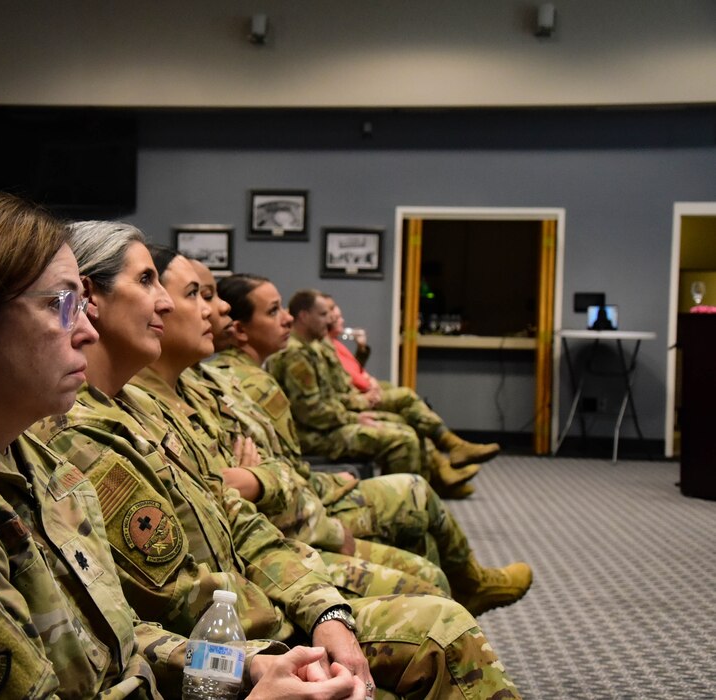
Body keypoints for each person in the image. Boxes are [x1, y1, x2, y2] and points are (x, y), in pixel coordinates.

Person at [0, 195, 368, 700]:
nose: (85, 330)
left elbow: (114, 638)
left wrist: (245, 667)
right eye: (60, 305)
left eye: (83, 305)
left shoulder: (28, 461)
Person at [31, 220, 523, 699]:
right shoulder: (78, 435)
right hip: (238, 645)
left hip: (270, 614)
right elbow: (177, 600)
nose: (166, 301)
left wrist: (325, 609)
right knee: (440, 627)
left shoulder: (144, 407)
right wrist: (279, 643)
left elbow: (241, 520)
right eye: (147, 281)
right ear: (91, 298)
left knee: (437, 615)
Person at [206, 268, 532, 615]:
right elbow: (290, 454)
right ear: (240, 330)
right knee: (410, 478)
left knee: (409, 473)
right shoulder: (252, 380)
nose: (285, 319)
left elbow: (281, 466)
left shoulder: (254, 372)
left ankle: (462, 585)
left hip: (307, 493)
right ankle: (465, 588)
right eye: (274, 311)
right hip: (306, 496)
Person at [140, 247, 449, 598]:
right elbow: (230, 499)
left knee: (418, 514)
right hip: (270, 552)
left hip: (295, 514)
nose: (218, 308)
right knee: (423, 547)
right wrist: (273, 486)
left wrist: (263, 479)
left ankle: (449, 459)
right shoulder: (193, 391)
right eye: (198, 294)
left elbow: (269, 470)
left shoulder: (198, 387)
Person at [268, 289, 487, 494]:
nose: (329, 319)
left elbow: (330, 397)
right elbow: (311, 412)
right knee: (402, 440)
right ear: (305, 316)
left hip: (328, 424)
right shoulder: (296, 355)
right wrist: (355, 416)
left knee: (406, 428)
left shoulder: (310, 348)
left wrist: (355, 412)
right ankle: (401, 509)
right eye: (323, 314)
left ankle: (423, 494)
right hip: (311, 435)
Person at [322, 294, 500, 472]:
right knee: (407, 406)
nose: (341, 321)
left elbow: (352, 370)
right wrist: (368, 389)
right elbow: (347, 380)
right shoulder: (319, 348)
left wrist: (362, 352)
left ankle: (443, 465)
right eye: (335, 317)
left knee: (410, 414)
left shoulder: (334, 344)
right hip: (349, 407)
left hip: (355, 399)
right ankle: (448, 453)